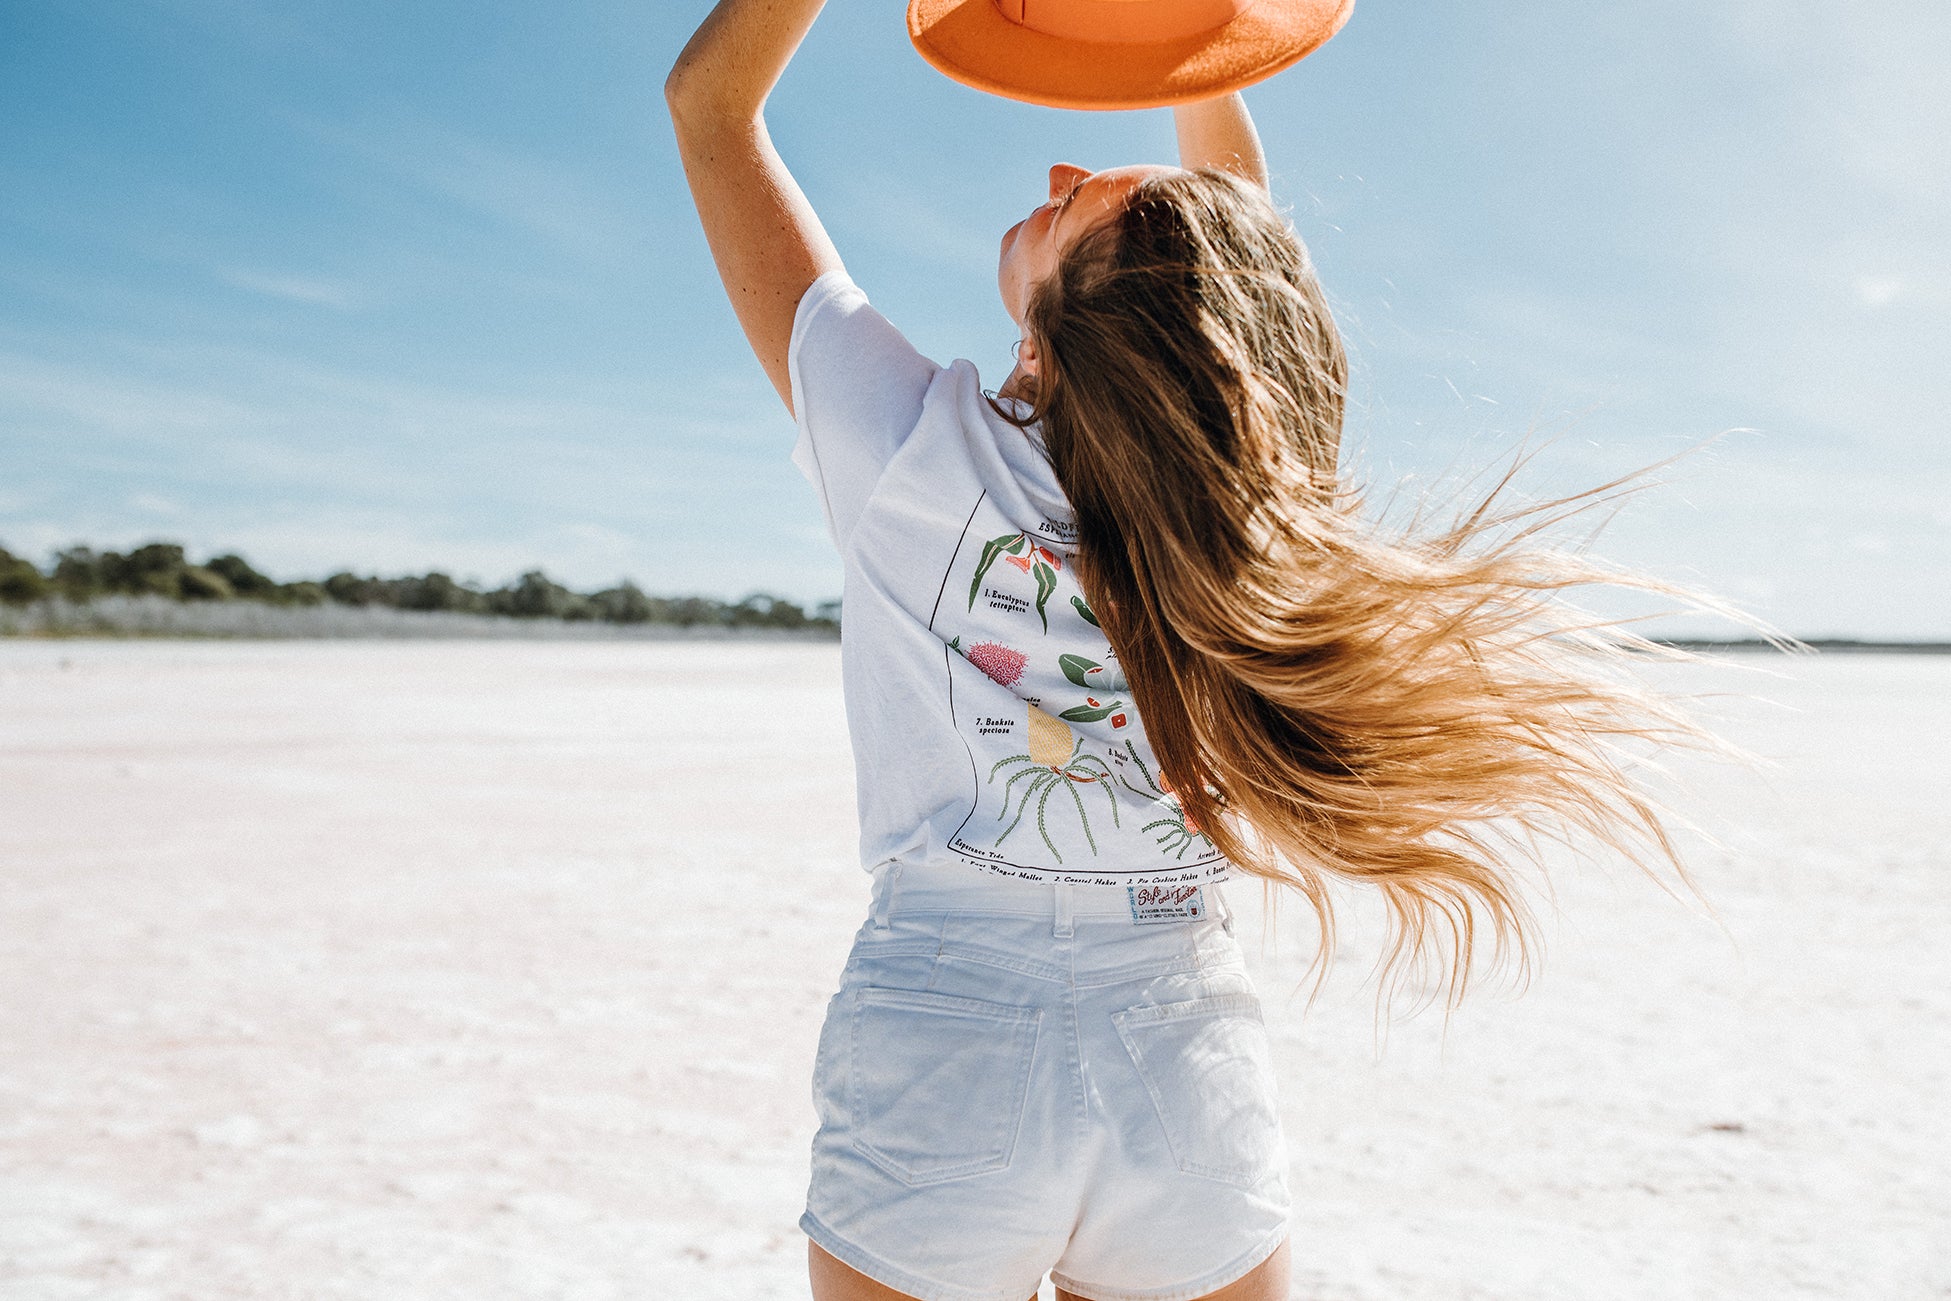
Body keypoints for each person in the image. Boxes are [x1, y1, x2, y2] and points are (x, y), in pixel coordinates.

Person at [666, 3, 1730, 1298]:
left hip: (941, 1049)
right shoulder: (1252, 508)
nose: (1058, 171)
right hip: (1177, 1066)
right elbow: (1238, 257)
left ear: (1107, 298)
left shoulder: (904, 445)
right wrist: (1206, 36)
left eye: (1086, 199)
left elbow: (712, 112)